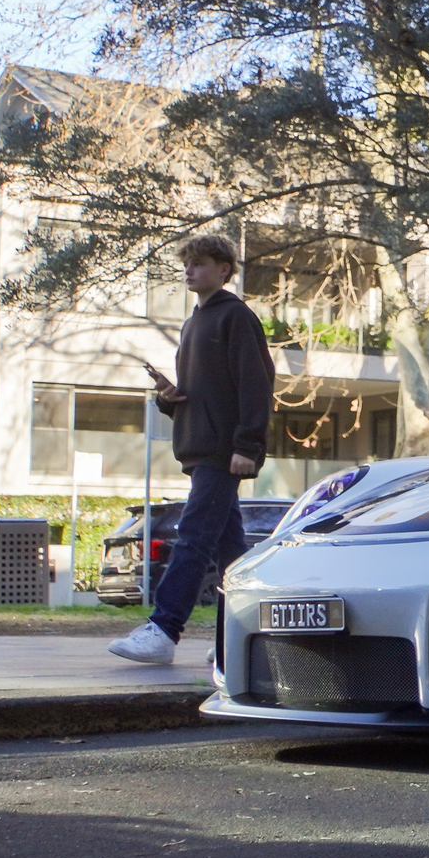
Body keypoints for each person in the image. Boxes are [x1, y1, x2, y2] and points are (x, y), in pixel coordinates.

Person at [108, 235, 275, 665]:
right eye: (187, 264)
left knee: (193, 538)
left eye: (199, 264)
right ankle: (236, 642)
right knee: (230, 554)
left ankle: (164, 629)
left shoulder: (236, 317)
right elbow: (202, 393)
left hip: (222, 454)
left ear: (225, 270)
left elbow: (256, 384)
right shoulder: (191, 324)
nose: (189, 271)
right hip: (200, 450)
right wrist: (169, 396)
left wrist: (247, 445)